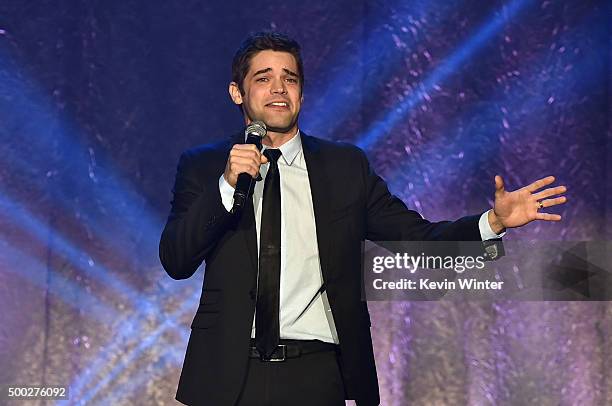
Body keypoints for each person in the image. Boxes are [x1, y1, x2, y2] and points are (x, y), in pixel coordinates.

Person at [159, 31, 567, 406]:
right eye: (263, 78)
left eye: (291, 78)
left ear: (302, 92)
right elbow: (177, 261)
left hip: (316, 372)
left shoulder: (344, 167)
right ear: (237, 92)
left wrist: (492, 223)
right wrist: (228, 185)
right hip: (228, 376)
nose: (279, 88)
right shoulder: (203, 165)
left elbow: (417, 240)